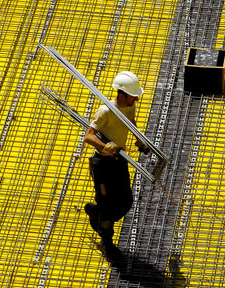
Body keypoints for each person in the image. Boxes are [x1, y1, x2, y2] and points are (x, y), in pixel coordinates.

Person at [83, 71, 148, 255]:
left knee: (125, 202)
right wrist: (106, 147)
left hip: (119, 160)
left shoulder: (129, 106)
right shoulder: (105, 111)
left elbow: (130, 122)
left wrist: (139, 138)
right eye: (133, 97)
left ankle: (97, 213)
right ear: (122, 94)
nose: (136, 100)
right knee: (108, 207)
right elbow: (88, 136)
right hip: (103, 164)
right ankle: (107, 242)